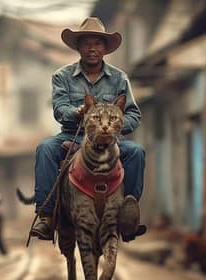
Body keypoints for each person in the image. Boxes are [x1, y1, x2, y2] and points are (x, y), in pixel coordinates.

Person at [31, 17, 146, 241]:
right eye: (86, 43)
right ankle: (46, 216)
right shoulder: (61, 76)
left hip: (109, 138)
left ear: (104, 48)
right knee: (44, 148)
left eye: (98, 43)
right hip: (72, 135)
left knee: (137, 152)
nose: (92, 48)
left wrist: (115, 128)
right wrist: (78, 112)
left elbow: (133, 113)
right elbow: (59, 109)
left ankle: (127, 213)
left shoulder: (119, 78)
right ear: (78, 47)